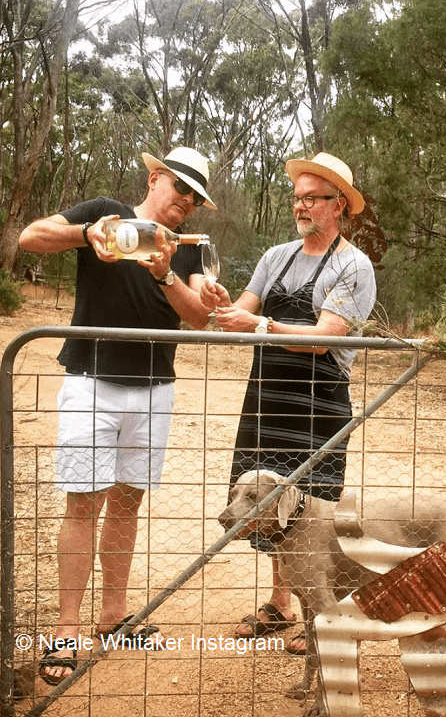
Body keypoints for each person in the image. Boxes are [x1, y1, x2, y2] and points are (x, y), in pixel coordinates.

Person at [18, 147, 217, 684]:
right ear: (155, 178)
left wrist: (165, 275)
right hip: (92, 380)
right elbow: (29, 237)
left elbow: (200, 318)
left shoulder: (186, 249)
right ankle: (66, 629)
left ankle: (113, 616)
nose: (187, 203)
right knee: (82, 503)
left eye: (196, 198)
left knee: (127, 503)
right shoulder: (105, 212)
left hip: (155, 389)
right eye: (181, 190)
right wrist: (89, 236)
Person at [201, 152, 376, 654]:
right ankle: (282, 604)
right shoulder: (275, 256)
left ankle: (321, 610)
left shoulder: (352, 264)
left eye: (312, 199)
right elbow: (242, 310)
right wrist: (217, 299)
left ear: (338, 205)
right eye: (296, 197)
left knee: (315, 503)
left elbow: (324, 338)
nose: (300, 207)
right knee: (266, 497)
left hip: (319, 398)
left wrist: (256, 326)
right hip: (269, 394)